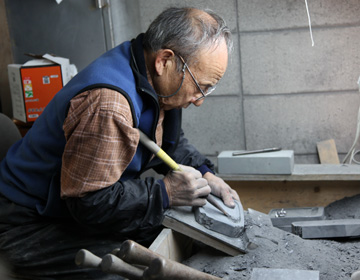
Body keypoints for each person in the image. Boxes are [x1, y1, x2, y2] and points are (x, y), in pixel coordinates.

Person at [0, 6, 239, 279]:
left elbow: (166, 142)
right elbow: (89, 204)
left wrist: (206, 172)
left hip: (71, 209)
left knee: (171, 232)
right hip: (28, 224)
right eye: (200, 86)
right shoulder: (109, 105)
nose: (199, 99)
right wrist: (165, 193)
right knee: (132, 269)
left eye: (208, 88)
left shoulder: (150, 75)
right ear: (165, 61)